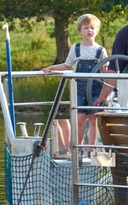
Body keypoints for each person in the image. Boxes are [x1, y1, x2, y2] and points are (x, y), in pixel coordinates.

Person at [42, 13, 107, 154]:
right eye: (86, 28)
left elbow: (106, 71)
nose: (89, 30)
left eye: (92, 28)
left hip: (96, 88)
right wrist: (50, 68)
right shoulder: (76, 49)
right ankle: (79, 148)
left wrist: (107, 91)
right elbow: (67, 66)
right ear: (80, 31)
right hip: (80, 89)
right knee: (80, 119)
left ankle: (92, 148)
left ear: (97, 31)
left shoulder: (101, 51)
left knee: (93, 119)